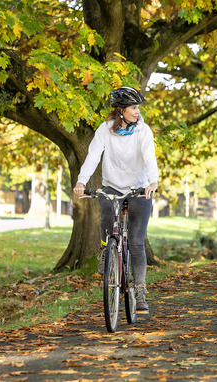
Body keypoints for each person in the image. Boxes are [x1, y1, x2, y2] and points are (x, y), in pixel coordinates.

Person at [73, 86, 159, 313]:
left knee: (137, 243)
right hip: (112, 186)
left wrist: (153, 182)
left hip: (139, 189)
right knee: (107, 218)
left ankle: (140, 291)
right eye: (133, 108)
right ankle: (106, 250)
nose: (137, 112)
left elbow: (149, 157)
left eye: (138, 108)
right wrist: (82, 181)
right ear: (120, 111)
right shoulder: (104, 130)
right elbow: (93, 156)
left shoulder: (143, 131)